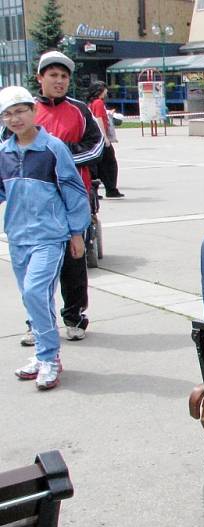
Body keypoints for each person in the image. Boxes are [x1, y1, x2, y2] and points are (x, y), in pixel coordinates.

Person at [0, 87, 90, 390]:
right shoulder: (4, 153)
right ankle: (42, 356)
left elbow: (74, 191)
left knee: (35, 291)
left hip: (50, 236)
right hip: (18, 237)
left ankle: (49, 357)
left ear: (33, 111)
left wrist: (77, 232)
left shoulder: (53, 148)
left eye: (20, 111)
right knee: (31, 298)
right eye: (7, 114)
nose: (14, 118)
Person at [29, 50, 104, 343]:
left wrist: (60, 155)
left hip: (74, 200)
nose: (59, 81)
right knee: (38, 266)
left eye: (64, 76)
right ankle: (37, 321)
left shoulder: (79, 110)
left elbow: (96, 146)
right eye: (53, 76)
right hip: (37, 204)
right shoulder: (27, 110)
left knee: (74, 261)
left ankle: (74, 316)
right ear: (40, 78)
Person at [87, 81, 124, 198]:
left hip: (94, 138)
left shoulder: (92, 103)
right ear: (99, 90)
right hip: (100, 138)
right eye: (105, 89)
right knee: (110, 163)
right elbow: (98, 119)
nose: (106, 91)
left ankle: (95, 190)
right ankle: (111, 189)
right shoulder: (98, 102)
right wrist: (105, 137)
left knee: (97, 164)